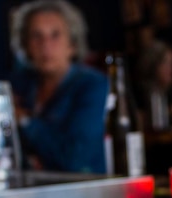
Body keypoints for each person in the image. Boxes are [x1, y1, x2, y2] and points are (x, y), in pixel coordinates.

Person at [9, 0, 109, 173]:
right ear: (25, 45)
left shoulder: (93, 85)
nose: (45, 45)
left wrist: (25, 121)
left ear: (72, 44)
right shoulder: (22, 87)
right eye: (36, 35)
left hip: (85, 193)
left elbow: (75, 159)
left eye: (55, 35)